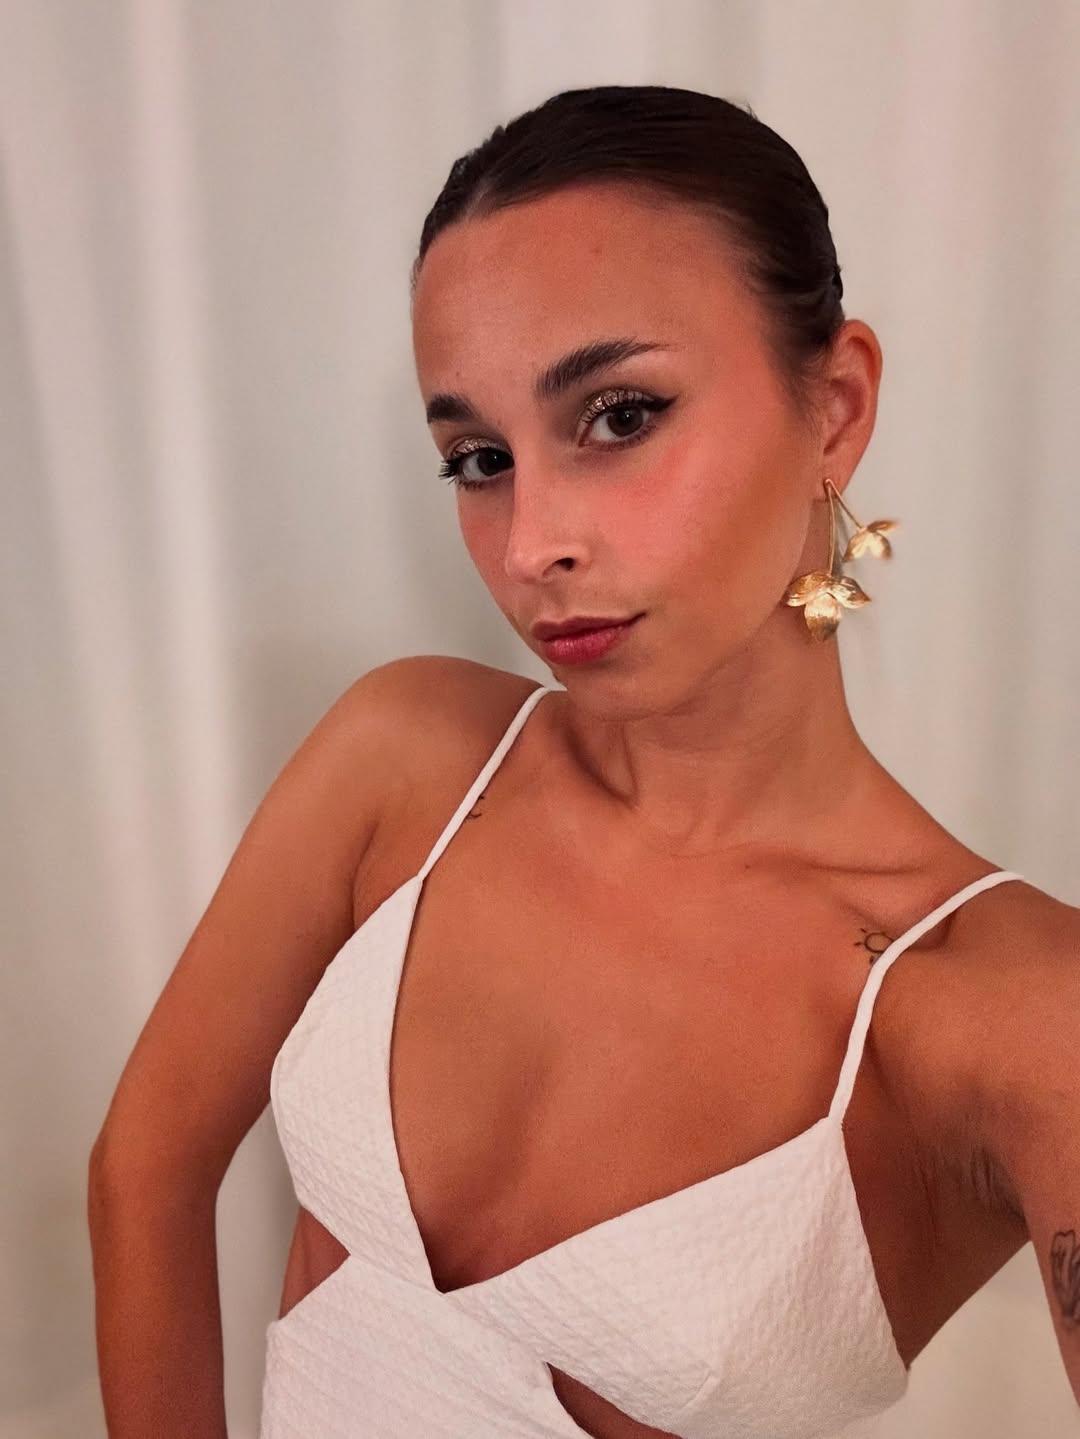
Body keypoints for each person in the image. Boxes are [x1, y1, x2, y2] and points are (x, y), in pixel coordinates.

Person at [89, 84, 1080, 1438]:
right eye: (478, 458)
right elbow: (145, 1167)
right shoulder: (406, 760)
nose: (528, 545)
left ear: (836, 409)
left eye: (619, 416)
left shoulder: (1004, 1011)